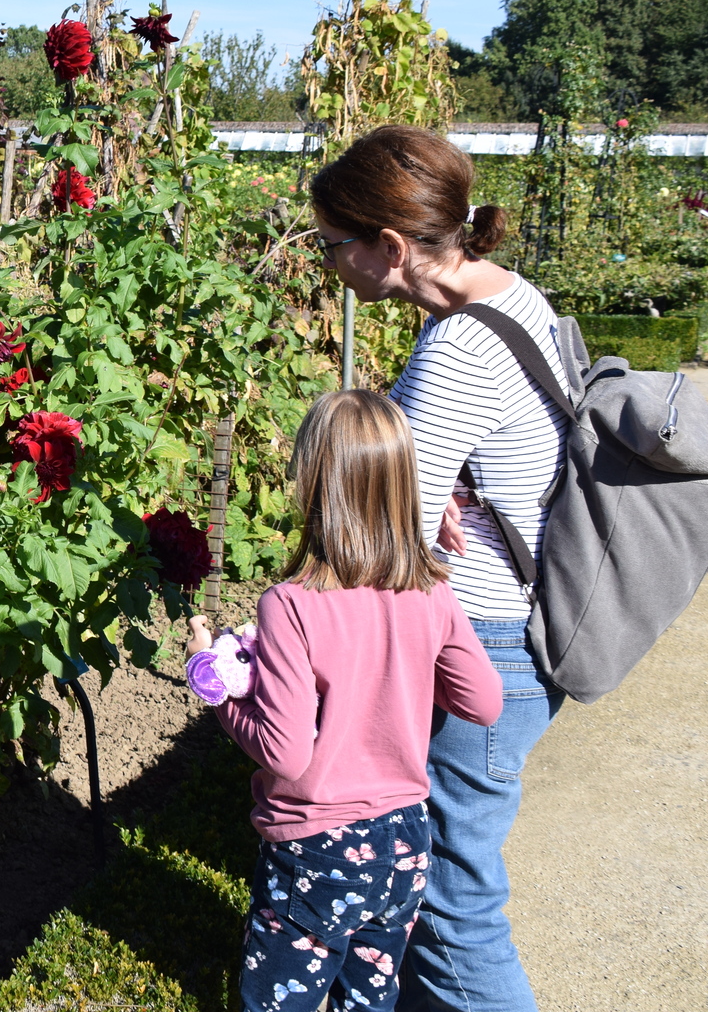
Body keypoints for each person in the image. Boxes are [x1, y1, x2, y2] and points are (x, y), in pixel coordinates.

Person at [308, 126, 574, 1012]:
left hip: (481, 644)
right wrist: (448, 477)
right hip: (516, 626)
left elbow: (379, 540)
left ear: (389, 246)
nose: (329, 265)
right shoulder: (512, 297)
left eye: (333, 245)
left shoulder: (457, 350)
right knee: (442, 886)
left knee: (454, 909)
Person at [189, 388, 502, 1012]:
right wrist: (405, 664)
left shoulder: (291, 605)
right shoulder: (431, 592)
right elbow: (484, 702)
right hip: (405, 840)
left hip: (319, 847)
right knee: (369, 999)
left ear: (313, 484)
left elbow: (285, 753)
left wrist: (213, 684)